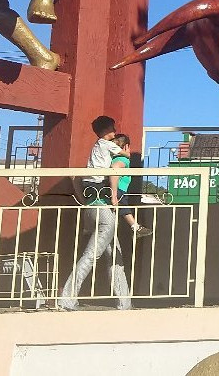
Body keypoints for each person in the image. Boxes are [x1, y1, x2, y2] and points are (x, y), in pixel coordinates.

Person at [58, 116, 131, 310]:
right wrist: (124, 156)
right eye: (113, 129)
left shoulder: (94, 152)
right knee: (91, 256)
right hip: (103, 208)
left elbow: (76, 176)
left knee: (115, 255)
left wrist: (83, 200)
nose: (115, 133)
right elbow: (123, 158)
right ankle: (67, 298)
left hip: (92, 205)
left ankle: (125, 302)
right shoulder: (108, 146)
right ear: (109, 129)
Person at [110, 134, 152, 237]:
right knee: (124, 208)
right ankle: (135, 226)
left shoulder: (113, 158)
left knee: (122, 209)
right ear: (126, 147)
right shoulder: (123, 160)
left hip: (119, 190)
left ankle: (135, 226)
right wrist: (114, 195)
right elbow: (115, 168)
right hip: (118, 190)